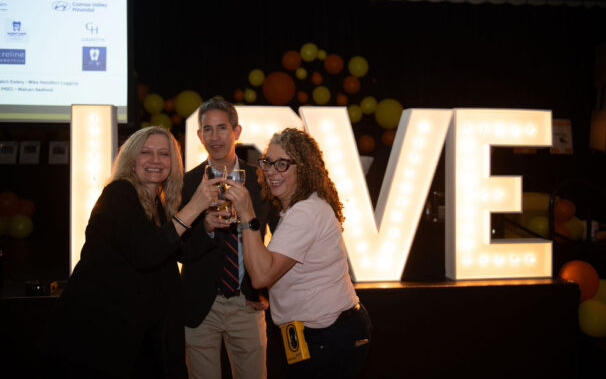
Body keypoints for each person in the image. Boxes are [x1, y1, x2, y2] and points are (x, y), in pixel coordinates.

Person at [41, 126, 221, 378]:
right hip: (95, 337)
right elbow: (147, 253)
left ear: (173, 163)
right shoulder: (118, 194)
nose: (155, 160)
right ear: (131, 159)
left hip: (134, 335)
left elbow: (177, 251)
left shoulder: (156, 202)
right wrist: (194, 207)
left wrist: (207, 226)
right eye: (146, 152)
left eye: (164, 154)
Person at [224, 127, 372, 379]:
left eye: (282, 164)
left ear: (303, 169)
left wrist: (247, 214)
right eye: (268, 162)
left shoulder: (305, 212)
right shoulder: (298, 208)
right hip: (320, 335)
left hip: (330, 336)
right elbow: (281, 269)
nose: (271, 171)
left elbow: (261, 275)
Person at [180, 98, 275, 379]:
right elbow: (178, 249)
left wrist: (267, 289)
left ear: (237, 131)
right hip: (200, 305)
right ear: (199, 136)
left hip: (247, 302)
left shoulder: (261, 180)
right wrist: (205, 229)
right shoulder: (186, 183)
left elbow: (281, 240)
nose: (215, 137)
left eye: (222, 127)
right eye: (207, 129)